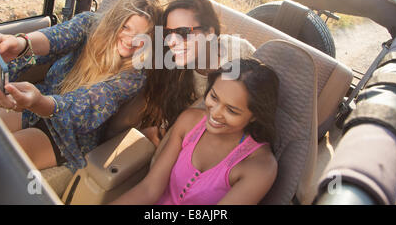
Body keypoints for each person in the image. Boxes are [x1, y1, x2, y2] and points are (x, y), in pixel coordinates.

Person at [0, 0, 163, 173]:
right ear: (114, 22)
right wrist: (21, 45)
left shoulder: (134, 76)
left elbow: (81, 108)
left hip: (68, 135)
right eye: (125, 27)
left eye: (142, 35)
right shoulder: (89, 24)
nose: (131, 40)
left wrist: (37, 101)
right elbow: (56, 37)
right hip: (41, 104)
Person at [112, 58, 279, 205]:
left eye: (232, 110)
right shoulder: (189, 121)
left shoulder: (260, 167)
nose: (215, 113)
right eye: (214, 97)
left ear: (254, 116)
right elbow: (149, 189)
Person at [140, 0, 256, 145]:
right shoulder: (176, 73)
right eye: (168, 33)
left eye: (183, 32)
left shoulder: (240, 52)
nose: (172, 42)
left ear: (209, 33)